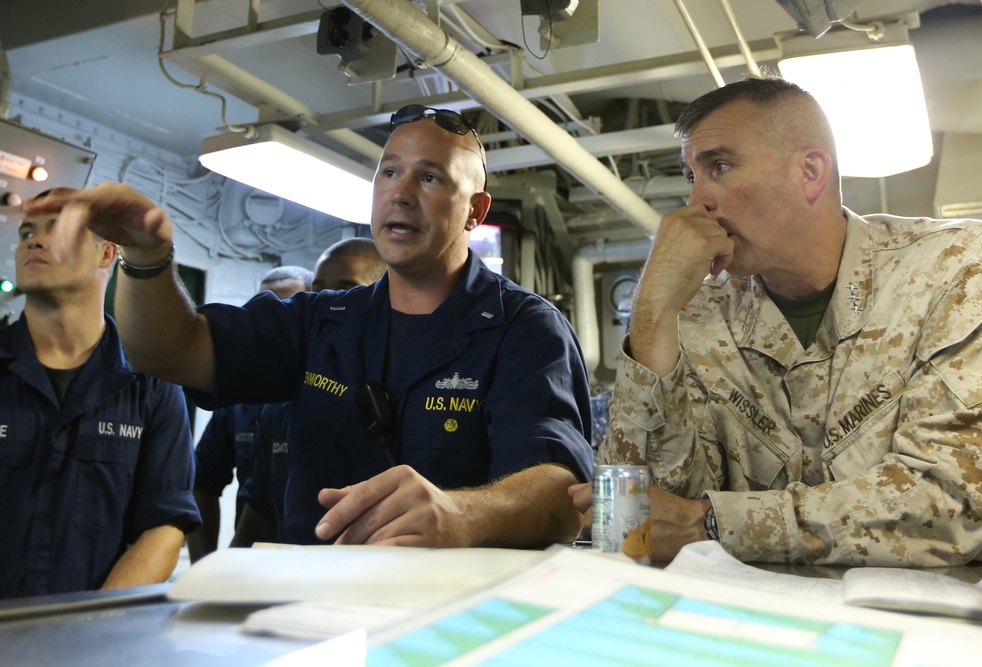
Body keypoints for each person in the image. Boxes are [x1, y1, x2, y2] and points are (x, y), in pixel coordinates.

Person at [28, 104, 594, 549]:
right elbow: (168, 352)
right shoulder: (319, 321)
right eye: (390, 172)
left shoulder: (524, 330)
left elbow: (560, 493)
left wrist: (461, 514)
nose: (399, 191)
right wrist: (146, 256)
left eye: (430, 178)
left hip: (456, 617)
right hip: (316, 614)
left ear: (475, 211)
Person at [570, 77, 982, 567]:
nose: (696, 203)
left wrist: (706, 522)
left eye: (721, 166)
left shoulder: (961, 269)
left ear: (810, 171)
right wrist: (650, 313)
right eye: (691, 176)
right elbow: (628, 525)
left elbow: (954, 501)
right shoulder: (696, 311)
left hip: (922, 627)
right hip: (746, 624)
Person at [0, 188, 199, 598]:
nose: (33, 241)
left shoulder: (152, 383)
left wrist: (87, 627)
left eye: (57, 230)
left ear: (107, 254)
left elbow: (164, 526)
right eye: (26, 232)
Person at [231, 238, 387, 547]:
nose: (329, 303)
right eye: (319, 291)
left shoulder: (394, 389)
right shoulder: (281, 404)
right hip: (299, 581)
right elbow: (260, 514)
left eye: (347, 288)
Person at [186, 265, 314, 563]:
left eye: (286, 309)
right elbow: (202, 482)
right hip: (255, 564)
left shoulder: (333, 395)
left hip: (325, 567)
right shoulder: (237, 403)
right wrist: (204, 567)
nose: (272, 322)